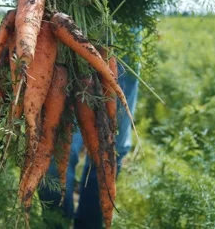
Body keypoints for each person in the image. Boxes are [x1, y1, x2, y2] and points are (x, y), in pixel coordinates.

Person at [38, 27, 142, 229]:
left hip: (121, 29)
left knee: (110, 149)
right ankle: (55, 222)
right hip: (59, 28)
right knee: (51, 150)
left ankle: (90, 224)